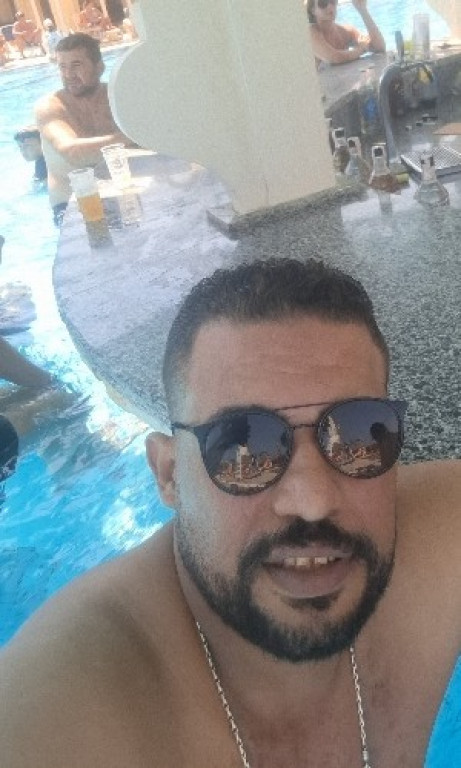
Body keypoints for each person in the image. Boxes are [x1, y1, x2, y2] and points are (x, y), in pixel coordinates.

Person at [0, 258, 459, 767]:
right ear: (169, 475)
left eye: (357, 433)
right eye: (243, 444)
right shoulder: (68, 711)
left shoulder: (440, 538)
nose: (313, 501)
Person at [34, 33, 134, 226]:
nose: (68, 74)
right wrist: (135, 136)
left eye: (76, 65)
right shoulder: (50, 106)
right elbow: (73, 153)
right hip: (71, 204)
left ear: (99, 67)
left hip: (121, 193)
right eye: (62, 67)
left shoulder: (118, 97)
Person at [307, 0, 385, 65]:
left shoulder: (345, 31)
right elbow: (334, 58)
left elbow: (379, 47)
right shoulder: (310, 33)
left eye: (333, 1)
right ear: (313, 10)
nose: (330, 7)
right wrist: (361, 49)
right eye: (323, 3)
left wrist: (363, 10)